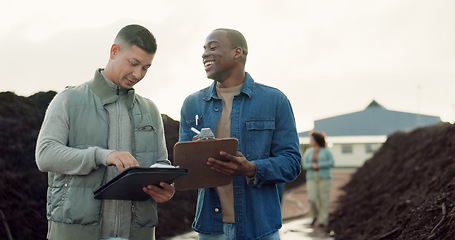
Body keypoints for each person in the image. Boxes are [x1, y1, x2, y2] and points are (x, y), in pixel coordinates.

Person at [35, 24, 175, 240]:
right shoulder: (68, 100)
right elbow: (45, 155)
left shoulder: (150, 110)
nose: (138, 74)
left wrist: (165, 187)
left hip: (139, 234)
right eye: (134, 63)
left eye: (146, 67)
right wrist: (102, 155)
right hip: (76, 234)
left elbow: (161, 163)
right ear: (114, 51)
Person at [179, 28, 302, 240]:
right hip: (211, 230)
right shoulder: (192, 104)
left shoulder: (274, 101)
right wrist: (195, 157)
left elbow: (292, 163)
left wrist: (252, 169)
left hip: (260, 228)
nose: (205, 54)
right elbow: (184, 170)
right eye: (204, 49)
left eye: (213, 47)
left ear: (237, 53)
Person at [302, 131, 334, 228]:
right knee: (311, 198)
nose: (310, 141)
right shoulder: (308, 152)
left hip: (324, 177)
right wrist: (312, 165)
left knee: (324, 199)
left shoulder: (326, 151)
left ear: (316, 140)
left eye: (311, 139)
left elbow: (331, 162)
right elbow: (304, 165)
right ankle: (314, 216)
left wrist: (320, 165)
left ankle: (322, 220)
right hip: (312, 177)